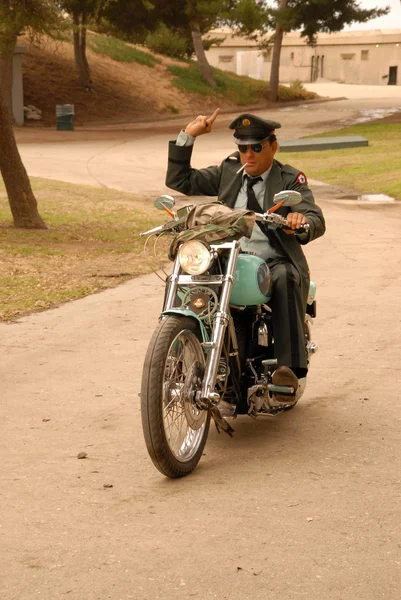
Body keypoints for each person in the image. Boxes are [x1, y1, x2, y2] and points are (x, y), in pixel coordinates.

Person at [165, 108, 325, 405]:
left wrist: (300, 221)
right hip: (227, 257)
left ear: (272, 146)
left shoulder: (290, 178)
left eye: (256, 147)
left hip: (273, 258)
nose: (248, 155)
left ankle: (286, 367)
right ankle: (171, 357)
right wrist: (188, 135)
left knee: (285, 276)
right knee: (187, 272)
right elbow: (181, 180)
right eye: (242, 147)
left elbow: (314, 216)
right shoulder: (229, 171)